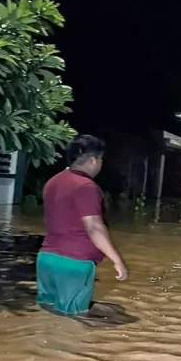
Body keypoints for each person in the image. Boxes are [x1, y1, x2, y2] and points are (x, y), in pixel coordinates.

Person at [37, 134, 128, 316]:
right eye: (101, 159)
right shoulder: (86, 186)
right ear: (93, 160)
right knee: (75, 318)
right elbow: (94, 227)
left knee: (49, 310)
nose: (101, 164)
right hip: (74, 262)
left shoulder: (52, 182)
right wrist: (117, 260)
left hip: (46, 259)